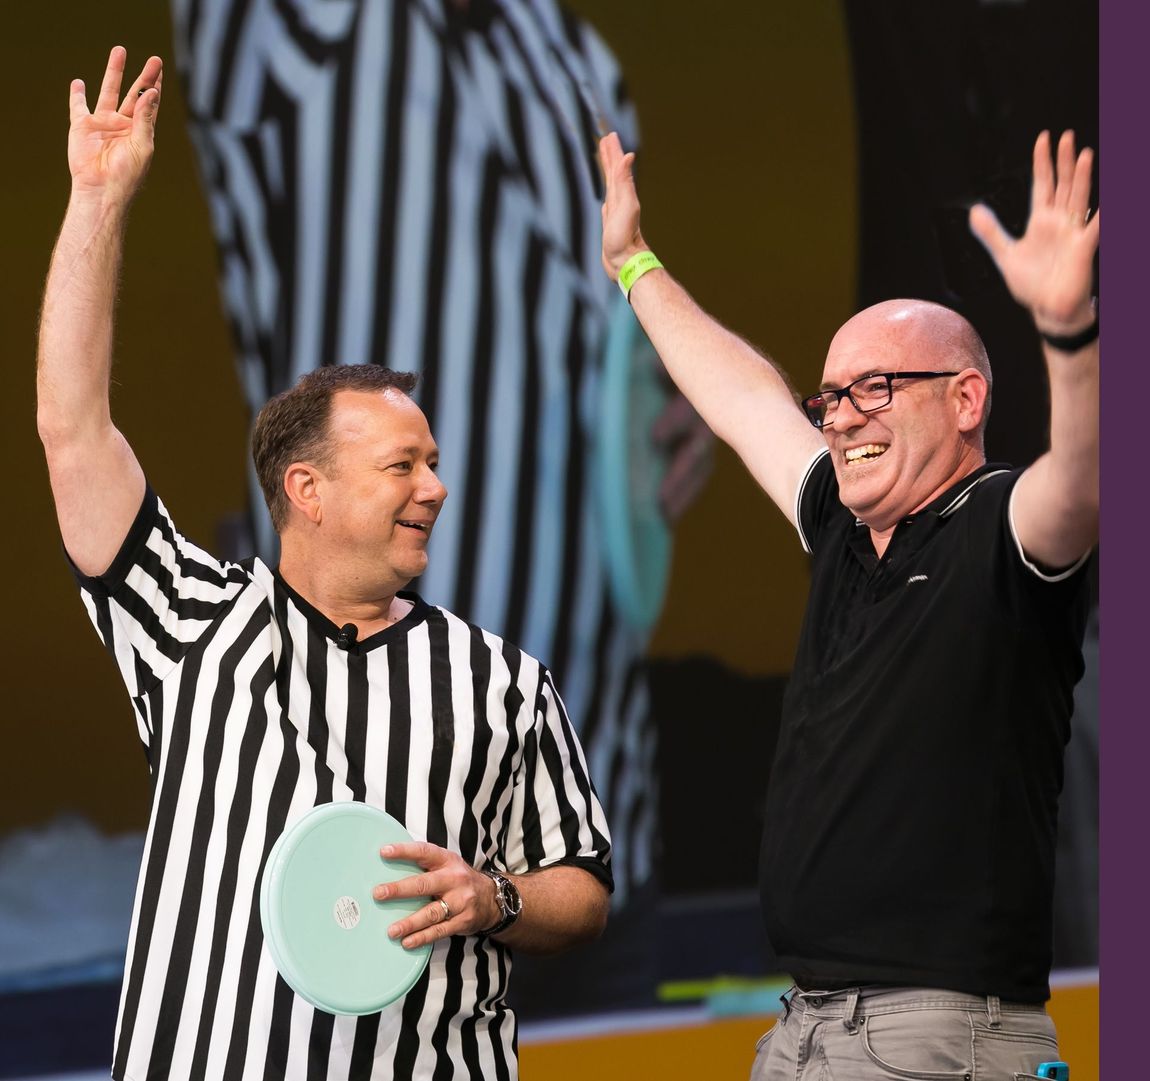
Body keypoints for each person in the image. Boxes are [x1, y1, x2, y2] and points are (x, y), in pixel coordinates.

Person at [37, 47, 612, 1080]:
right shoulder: (185, 620)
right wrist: (98, 198)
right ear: (306, 490)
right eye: (402, 464)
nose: (434, 486)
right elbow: (72, 430)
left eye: (436, 462)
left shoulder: (500, 680)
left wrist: (497, 896)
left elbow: (582, 880)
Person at [167, 0, 711, 1013]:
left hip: (590, 810)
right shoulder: (294, 29)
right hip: (373, 871)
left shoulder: (570, 52)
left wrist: (665, 402)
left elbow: (596, 335)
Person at [598, 125, 1098, 1078]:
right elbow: (744, 400)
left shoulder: (1000, 526)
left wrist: (1069, 334)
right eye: (832, 397)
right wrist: (633, 263)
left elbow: (1083, 478)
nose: (841, 415)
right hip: (807, 1028)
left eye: (875, 386)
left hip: (938, 1035)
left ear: (964, 399)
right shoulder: (839, 520)